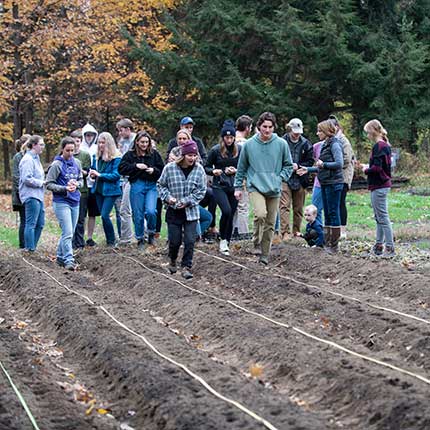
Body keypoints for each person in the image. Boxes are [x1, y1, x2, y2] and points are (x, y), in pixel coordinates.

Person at [234, 112, 293, 265]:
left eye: (270, 127)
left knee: (270, 223)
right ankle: (256, 241)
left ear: (274, 128)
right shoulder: (249, 145)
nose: (267, 130)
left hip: (274, 188)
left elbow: (288, 165)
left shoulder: (281, 144)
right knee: (260, 214)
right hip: (255, 186)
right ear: (259, 126)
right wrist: (238, 187)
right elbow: (241, 168)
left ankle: (264, 255)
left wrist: (280, 178)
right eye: (264, 126)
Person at [157, 140, 207, 280]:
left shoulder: (199, 170)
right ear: (183, 155)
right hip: (173, 211)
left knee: (190, 240)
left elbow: (201, 191)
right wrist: (168, 198)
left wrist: (186, 201)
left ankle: (186, 266)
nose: (192, 158)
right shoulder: (170, 168)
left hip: (190, 211)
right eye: (189, 155)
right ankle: (173, 260)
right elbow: (161, 185)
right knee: (175, 241)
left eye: (194, 155)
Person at [297, 120, 343, 253]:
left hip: (334, 184)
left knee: (333, 213)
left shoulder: (334, 144)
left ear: (326, 131)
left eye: (319, 131)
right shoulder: (325, 145)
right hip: (325, 182)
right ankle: (327, 242)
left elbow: (339, 163)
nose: (317, 134)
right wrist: (308, 169)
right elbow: (321, 167)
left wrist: (324, 165)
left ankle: (333, 245)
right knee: (328, 214)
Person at [118, 130, 164, 249]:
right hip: (137, 184)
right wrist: (136, 166)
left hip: (151, 185)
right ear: (137, 142)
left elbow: (161, 170)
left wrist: (153, 170)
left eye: (146, 142)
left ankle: (151, 233)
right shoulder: (130, 155)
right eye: (142, 142)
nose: (144, 144)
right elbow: (121, 169)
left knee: (151, 211)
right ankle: (140, 239)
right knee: (137, 214)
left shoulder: (154, 154)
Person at [46, 137, 83, 269]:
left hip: (75, 200)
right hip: (61, 201)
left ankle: (60, 257)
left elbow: (81, 180)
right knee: (67, 232)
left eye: (73, 150)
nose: (70, 153)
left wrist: (76, 184)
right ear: (62, 149)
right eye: (68, 150)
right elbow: (48, 184)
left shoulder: (77, 163)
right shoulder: (57, 165)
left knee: (70, 232)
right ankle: (69, 259)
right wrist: (63, 188)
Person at [205, 120, 241, 256]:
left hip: (234, 185)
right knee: (226, 211)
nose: (229, 140)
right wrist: (214, 171)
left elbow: (244, 167)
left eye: (231, 137)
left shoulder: (239, 150)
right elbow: (206, 166)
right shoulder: (215, 150)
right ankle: (222, 239)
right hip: (219, 185)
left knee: (231, 214)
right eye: (227, 137)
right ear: (223, 138)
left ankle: (226, 240)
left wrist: (236, 170)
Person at [362, 119, 395, 257]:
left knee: (383, 217)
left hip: (379, 185)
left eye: (368, 133)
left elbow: (377, 168)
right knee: (379, 217)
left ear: (373, 131)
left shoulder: (378, 146)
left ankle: (389, 248)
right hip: (382, 185)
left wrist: (366, 169)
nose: (367, 136)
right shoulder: (385, 145)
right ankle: (378, 246)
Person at [279, 118, 313, 241]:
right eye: (294, 131)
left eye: (299, 131)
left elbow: (310, 161)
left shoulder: (306, 144)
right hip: (285, 178)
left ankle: (296, 230)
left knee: (298, 207)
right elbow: (277, 159)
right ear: (289, 129)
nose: (297, 134)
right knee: (284, 206)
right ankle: (285, 232)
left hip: (300, 179)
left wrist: (299, 166)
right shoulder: (281, 142)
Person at [88, 132, 122, 246]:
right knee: (103, 217)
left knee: (104, 215)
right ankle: (109, 240)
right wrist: (92, 174)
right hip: (98, 189)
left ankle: (112, 240)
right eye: (99, 142)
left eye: (103, 142)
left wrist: (100, 175)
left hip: (111, 190)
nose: (101, 145)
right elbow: (93, 169)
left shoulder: (116, 157)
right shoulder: (96, 157)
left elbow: (116, 175)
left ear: (108, 143)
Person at [329, 115, 354, 239]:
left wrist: (332, 164)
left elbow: (347, 159)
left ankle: (343, 230)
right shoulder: (333, 140)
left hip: (343, 177)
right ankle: (336, 229)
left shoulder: (343, 141)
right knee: (335, 203)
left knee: (341, 203)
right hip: (335, 177)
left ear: (337, 127)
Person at [19, 135, 46, 252]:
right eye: (41, 144)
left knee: (40, 224)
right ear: (34, 145)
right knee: (31, 223)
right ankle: (29, 249)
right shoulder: (27, 159)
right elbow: (26, 178)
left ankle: (32, 247)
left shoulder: (36, 158)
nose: (43, 147)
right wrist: (42, 183)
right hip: (31, 195)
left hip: (39, 196)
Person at [232, 115, 253, 240]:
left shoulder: (229, 139)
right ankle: (243, 234)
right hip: (242, 177)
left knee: (233, 207)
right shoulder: (246, 144)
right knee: (242, 206)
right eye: (250, 127)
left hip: (229, 177)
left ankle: (232, 231)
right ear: (246, 127)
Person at [70, 129, 91, 250]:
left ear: (81, 142)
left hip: (82, 190)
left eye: (77, 141)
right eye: (73, 141)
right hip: (69, 190)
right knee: (71, 218)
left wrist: (79, 171)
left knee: (81, 218)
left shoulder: (85, 155)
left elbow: (86, 172)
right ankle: (71, 242)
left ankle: (80, 243)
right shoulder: (67, 154)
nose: (75, 143)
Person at [116, 118, 136, 245]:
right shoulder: (122, 141)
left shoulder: (136, 141)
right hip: (124, 178)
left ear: (128, 129)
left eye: (121, 130)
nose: (119, 133)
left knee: (126, 209)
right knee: (128, 209)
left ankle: (127, 238)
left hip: (134, 178)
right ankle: (130, 236)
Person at [81, 123, 99, 246]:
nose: (89, 137)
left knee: (92, 213)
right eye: (87, 135)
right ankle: (79, 236)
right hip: (82, 185)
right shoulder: (80, 148)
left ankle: (90, 237)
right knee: (82, 213)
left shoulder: (97, 148)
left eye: (91, 135)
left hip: (94, 184)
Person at [11, 134, 31, 248]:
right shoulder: (18, 157)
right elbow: (16, 177)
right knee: (24, 220)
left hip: (28, 193)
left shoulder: (31, 156)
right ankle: (23, 246)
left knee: (29, 220)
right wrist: (22, 192)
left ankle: (28, 244)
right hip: (21, 194)